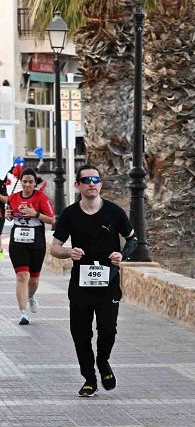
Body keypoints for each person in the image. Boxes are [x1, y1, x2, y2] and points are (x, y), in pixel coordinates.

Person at [50, 165, 138, 396]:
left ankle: (103, 361)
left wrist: (122, 254)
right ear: (77, 185)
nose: (91, 183)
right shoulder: (70, 214)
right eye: (86, 179)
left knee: (108, 330)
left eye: (96, 179)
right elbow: (55, 248)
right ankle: (89, 378)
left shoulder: (114, 212)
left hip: (108, 283)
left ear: (100, 184)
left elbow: (132, 240)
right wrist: (69, 252)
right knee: (80, 334)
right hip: (80, 285)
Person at [3, 168, 56, 325]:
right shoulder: (13, 198)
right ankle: (23, 313)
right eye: (24, 181)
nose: (27, 185)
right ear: (21, 182)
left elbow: (52, 220)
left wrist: (36, 214)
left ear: (35, 183)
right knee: (22, 276)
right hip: (17, 243)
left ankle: (31, 296)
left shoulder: (41, 197)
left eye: (30, 182)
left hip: (36, 242)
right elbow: (11, 214)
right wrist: (9, 216)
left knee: (33, 280)